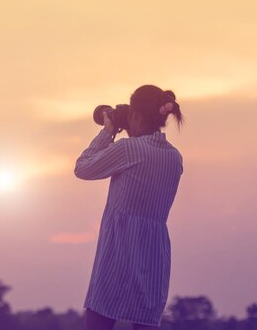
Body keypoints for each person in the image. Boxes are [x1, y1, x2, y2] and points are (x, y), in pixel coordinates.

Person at [74, 85, 184, 330]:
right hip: (154, 257)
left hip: (118, 254)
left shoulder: (128, 149)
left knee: (98, 322)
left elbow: (83, 168)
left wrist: (108, 131)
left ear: (136, 115)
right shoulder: (175, 158)